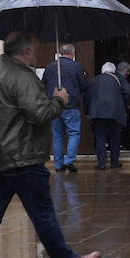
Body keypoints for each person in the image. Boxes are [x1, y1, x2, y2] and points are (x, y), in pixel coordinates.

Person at [0, 31, 101, 258]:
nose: (37, 54)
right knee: (43, 214)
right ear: (25, 52)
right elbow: (39, 113)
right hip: (21, 157)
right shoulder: (21, 76)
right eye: (35, 50)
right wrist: (59, 100)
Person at [42, 43, 87, 173]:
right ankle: (69, 160)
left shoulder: (50, 66)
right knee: (73, 133)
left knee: (57, 135)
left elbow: (43, 84)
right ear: (72, 54)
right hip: (71, 105)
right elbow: (84, 85)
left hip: (54, 105)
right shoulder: (77, 66)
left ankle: (58, 164)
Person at [85, 61, 130, 170]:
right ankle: (114, 163)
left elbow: (87, 97)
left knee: (100, 137)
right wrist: (129, 104)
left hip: (97, 113)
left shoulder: (94, 80)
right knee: (114, 137)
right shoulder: (118, 79)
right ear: (113, 71)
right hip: (114, 112)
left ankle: (101, 164)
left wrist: (87, 112)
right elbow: (129, 91)